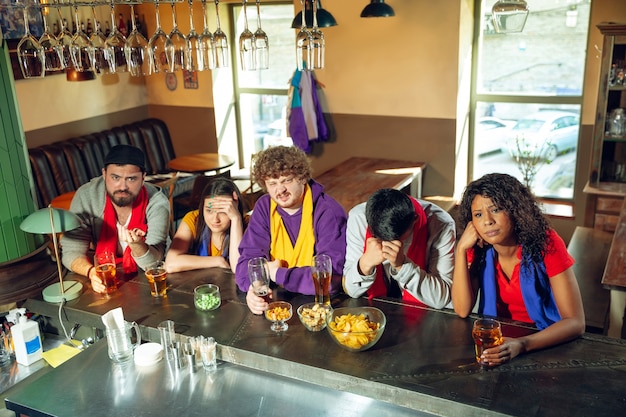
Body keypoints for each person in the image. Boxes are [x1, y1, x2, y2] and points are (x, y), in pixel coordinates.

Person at [452, 173, 585, 365]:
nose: (487, 221)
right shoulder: (478, 249)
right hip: (498, 343)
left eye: (496, 209)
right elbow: (462, 309)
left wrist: (522, 345)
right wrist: (461, 250)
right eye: (478, 215)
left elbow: (575, 322)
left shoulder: (546, 243)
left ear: (515, 210)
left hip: (544, 342)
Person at [234, 146, 347, 314]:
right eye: (272, 183)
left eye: (286, 180)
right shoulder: (264, 207)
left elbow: (329, 280)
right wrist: (254, 286)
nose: (280, 190)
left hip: (320, 306)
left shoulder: (327, 211)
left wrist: (276, 273)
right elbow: (247, 262)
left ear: (302, 178)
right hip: (276, 302)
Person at [61, 145, 170, 294]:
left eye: (131, 179)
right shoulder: (87, 196)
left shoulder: (157, 202)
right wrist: (91, 272)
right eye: (115, 178)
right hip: (106, 275)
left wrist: (137, 245)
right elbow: (71, 251)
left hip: (148, 277)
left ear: (143, 178)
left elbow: (153, 264)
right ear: (104, 174)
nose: (122, 187)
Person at [343, 188, 456, 309]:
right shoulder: (359, 218)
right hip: (373, 309)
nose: (388, 243)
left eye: (396, 239)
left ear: (415, 220)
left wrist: (403, 266)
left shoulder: (441, 224)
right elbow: (350, 290)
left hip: (424, 311)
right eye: (380, 237)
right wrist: (365, 264)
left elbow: (442, 298)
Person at [165, 177, 245, 273]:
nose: (215, 219)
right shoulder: (194, 219)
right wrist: (218, 261)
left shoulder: (248, 223)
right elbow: (170, 264)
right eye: (209, 210)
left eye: (223, 212)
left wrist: (236, 219)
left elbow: (239, 269)